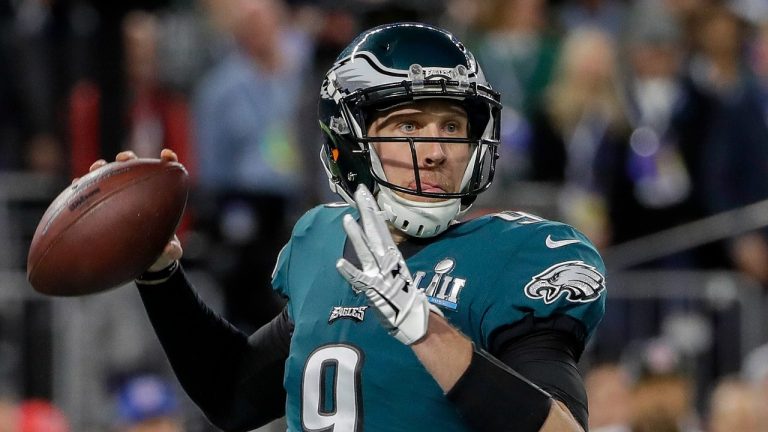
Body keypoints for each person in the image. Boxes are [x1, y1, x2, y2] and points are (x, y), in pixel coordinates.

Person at [89, 22, 606, 431]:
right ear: (349, 144)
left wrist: (427, 332)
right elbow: (232, 398)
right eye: (408, 125)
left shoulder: (514, 255)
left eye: (452, 126)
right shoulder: (325, 243)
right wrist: (159, 275)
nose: (436, 150)